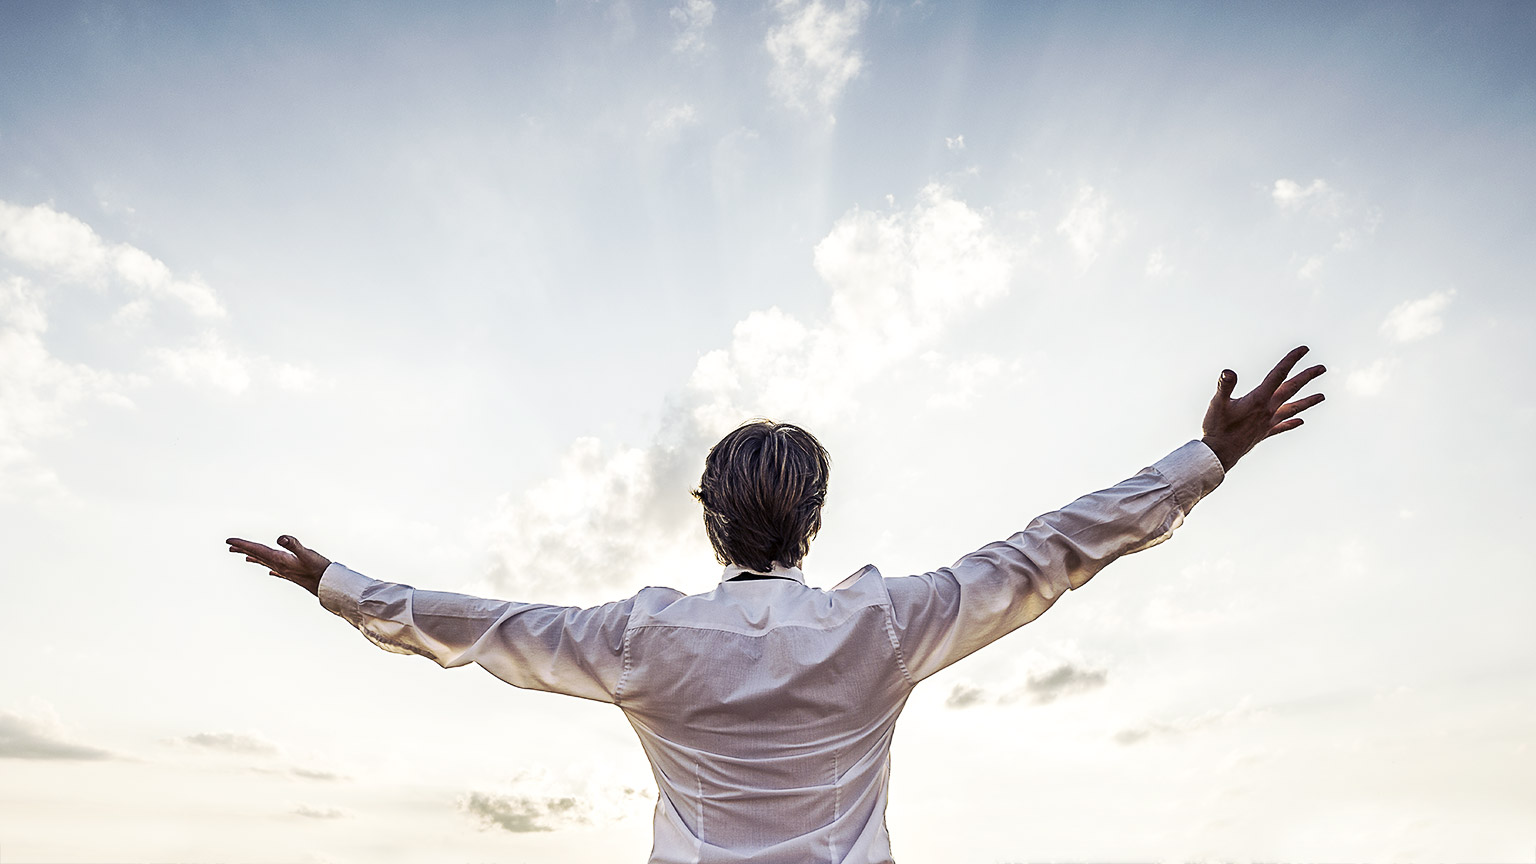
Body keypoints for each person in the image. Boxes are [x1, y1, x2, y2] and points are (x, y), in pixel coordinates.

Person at [228, 346, 1325, 864]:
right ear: (815, 521)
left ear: (710, 521)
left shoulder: (640, 639)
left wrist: (337, 585)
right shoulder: (884, 625)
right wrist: (1201, 462)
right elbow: (1052, 553)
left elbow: (479, 624)